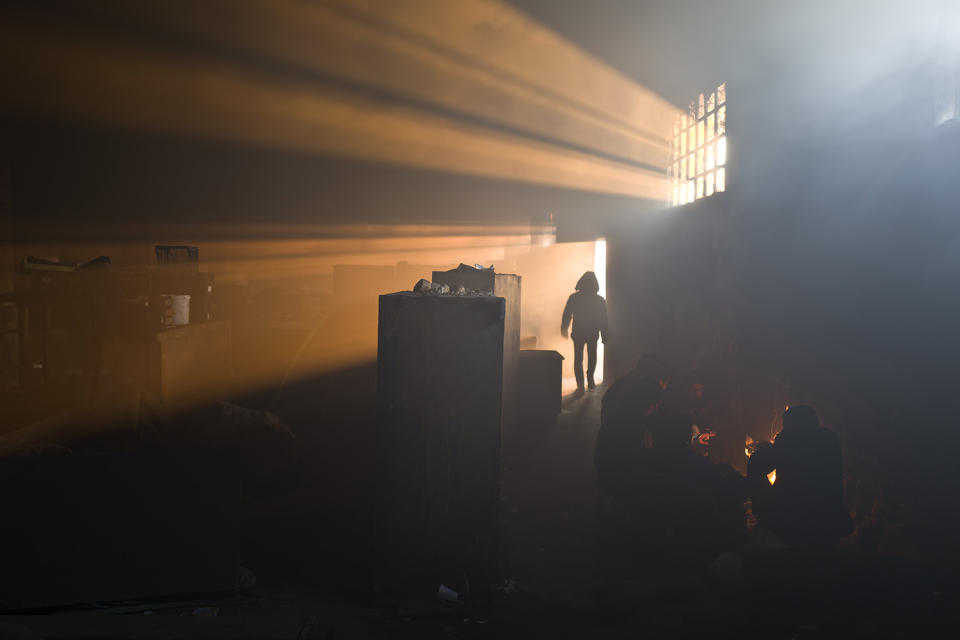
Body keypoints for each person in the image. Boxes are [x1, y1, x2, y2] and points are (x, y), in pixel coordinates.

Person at [747, 405, 852, 546]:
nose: (782, 430)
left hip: (793, 517)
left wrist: (763, 451)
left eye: (785, 426)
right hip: (829, 517)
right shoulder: (830, 439)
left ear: (795, 425)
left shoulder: (789, 440)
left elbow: (759, 465)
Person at [561, 271, 608, 393]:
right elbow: (603, 319)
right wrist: (604, 335)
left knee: (578, 358)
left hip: (578, 332)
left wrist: (564, 328)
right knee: (592, 356)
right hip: (593, 332)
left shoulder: (574, 298)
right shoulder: (600, 300)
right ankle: (590, 379)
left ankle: (580, 384)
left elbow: (567, 314)